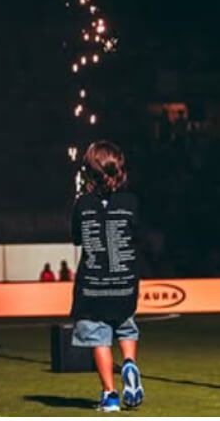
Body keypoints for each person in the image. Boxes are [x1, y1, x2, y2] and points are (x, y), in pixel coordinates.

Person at [69, 141, 145, 411]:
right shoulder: (130, 201)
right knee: (126, 327)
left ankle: (110, 394)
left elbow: (77, 239)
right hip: (125, 283)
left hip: (93, 287)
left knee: (99, 338)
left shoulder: (82, 204)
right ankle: (129, 363)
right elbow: (136, 236)